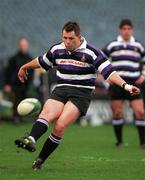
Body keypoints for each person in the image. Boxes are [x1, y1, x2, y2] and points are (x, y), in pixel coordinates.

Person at [14, 21, 140, 170]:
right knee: (47, 113)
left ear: (79, 37)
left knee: (60, 125)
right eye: (64, 38)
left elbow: (109, 72)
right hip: (61, 88)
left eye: (70, 39)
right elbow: (42, 61)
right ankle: (31, 139)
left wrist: (126, 85)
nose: (67, 42)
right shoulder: (57, 49)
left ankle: (40, 160)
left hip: (81, 93)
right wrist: (24, 67)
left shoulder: (92, 53)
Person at [103, 19, 145, 148]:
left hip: (133, 82)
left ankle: (143, 143)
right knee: (117, 113)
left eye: (129, 29)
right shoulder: (112, 45)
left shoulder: (138, 45)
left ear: (132, 30)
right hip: (117, 83)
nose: (126, 31)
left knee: (140, 112)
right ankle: (119, 142)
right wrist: (106, 77)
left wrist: (143, 75)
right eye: (124, 29)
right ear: (120, 30)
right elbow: (100, 61)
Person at [4, 38, 33, 122]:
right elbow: (8, 72)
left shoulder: (30, 59)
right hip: (15, 84)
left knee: (24, 101)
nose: (23, 47)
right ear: (19, 46)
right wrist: (7, 84)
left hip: (26, 85)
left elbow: (31, 72)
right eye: (22, 45)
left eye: (24, 45)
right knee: (16, 100)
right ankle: (15, 116)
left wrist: (29, 82)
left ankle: (22, 116)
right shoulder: (13, 59)